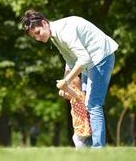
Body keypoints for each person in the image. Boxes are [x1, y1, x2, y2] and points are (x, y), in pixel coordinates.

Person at [21, 9, 118, 148]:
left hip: (101, 57)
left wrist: (66, 82)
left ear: (44, 23)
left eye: (38, 33)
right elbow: (70, 62)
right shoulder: (54, 36)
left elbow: (83, 58)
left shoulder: (64, 31)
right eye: (34, 36)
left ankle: (98, 149)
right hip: (89, 62)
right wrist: (67, 86)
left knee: (93, 104)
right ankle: (90, 148)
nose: (38, 38)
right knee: (85, 102)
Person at [60, 76, 92, 148]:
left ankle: (81, 151)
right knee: (79, 139)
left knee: (76, 138)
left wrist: (63, 85)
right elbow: (62, 93)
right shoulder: (75, 95)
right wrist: (62, 88)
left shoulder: (78, 95)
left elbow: (68, 91)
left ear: (73, 86)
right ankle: (83, 150)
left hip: (82, 123)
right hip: (80, 122)